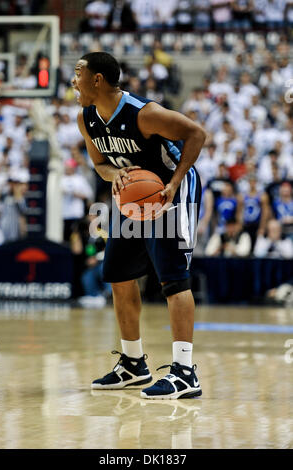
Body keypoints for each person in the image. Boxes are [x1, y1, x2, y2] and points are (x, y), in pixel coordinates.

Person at [72, 52, 206, 399]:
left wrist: (175, 183)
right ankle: (134, 364)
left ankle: (185, 371)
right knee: (118, 273)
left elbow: (196, 134)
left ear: (97, 79)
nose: (73, 81)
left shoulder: (144, 114)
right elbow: (100, 163)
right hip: (134, 199)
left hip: (170, 191)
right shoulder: (85, 118)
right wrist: (115, 174)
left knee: (174, 280)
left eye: (78, 73)